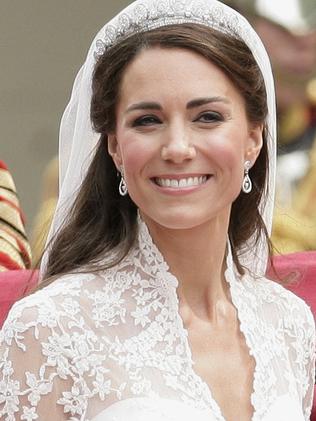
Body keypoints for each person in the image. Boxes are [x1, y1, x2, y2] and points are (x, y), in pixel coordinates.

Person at [0, 1, 314, 420]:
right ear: (113, 145)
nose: (178, 149)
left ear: (254, 138)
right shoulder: (50, 327)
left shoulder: (290, 323)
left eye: (207, 116)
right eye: (148, 120)